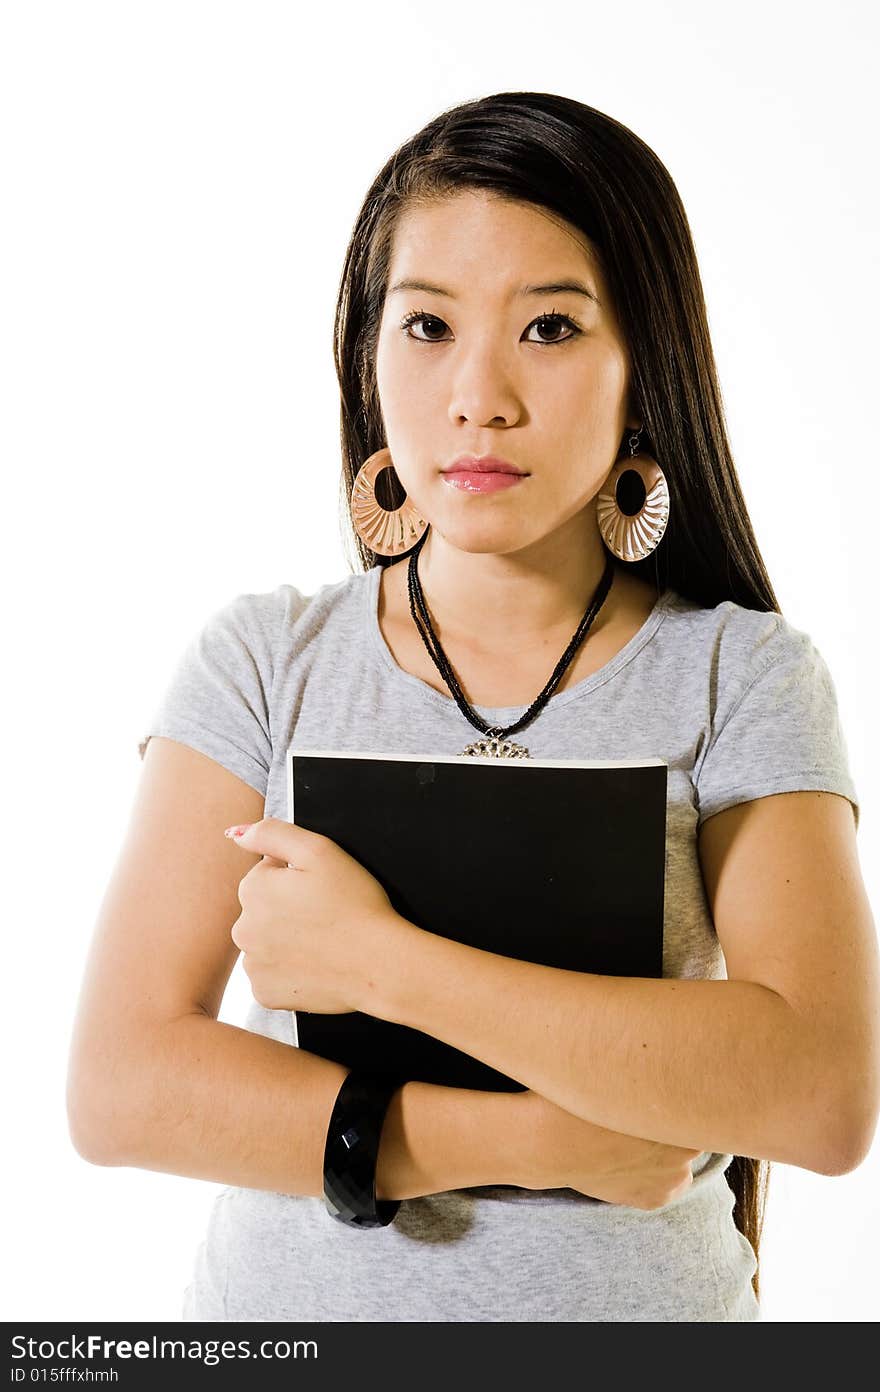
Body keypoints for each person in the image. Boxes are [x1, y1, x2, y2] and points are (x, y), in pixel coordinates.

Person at [66, 91, 879, 1323]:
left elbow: (818, 1097)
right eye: (428, 325)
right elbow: (123, 1089)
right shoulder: (263, 661)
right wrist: (542, 1137)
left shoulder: (741, 675)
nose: (478, 396)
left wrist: (381, 962)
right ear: (368, 355)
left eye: (549, 326)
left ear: (642, 363)